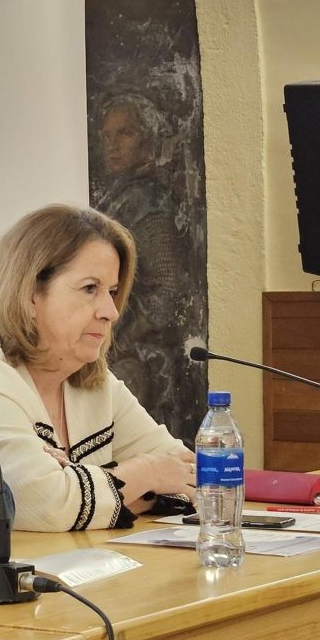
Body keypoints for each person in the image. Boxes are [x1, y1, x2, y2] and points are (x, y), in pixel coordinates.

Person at [0, 204, 194, 532]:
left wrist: (90, 487)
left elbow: (191, 477)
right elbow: (44, 505)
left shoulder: (92, 380)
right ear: (30, 296)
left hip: (87, 569)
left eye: (112, 292)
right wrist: (146, 473)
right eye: (90, 289)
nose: (110, 312)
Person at [93, 93, 206, 442]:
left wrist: (122, 340)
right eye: (108, 135)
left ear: (148, 141)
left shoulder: (148, 203)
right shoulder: (119, 195)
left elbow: (168, 289)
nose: (113, 145)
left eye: (125, 134)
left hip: (142, 362)